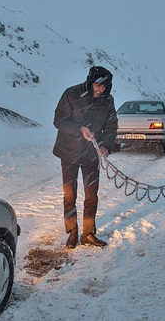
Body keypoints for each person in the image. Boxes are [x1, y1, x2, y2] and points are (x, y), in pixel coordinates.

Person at [53, 66, 118, 249]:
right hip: (69, 152)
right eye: (98, 85)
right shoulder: (71, 94)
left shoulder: (108, 101)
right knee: (69, 194)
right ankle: (72, 231)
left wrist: (106, 145)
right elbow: (59, 120)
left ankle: (88, 234)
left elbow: (112, 125)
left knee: (91, 195)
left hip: (91, 155)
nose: (101, 90)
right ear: (90, 82)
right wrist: (79, 129)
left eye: (105, 86)